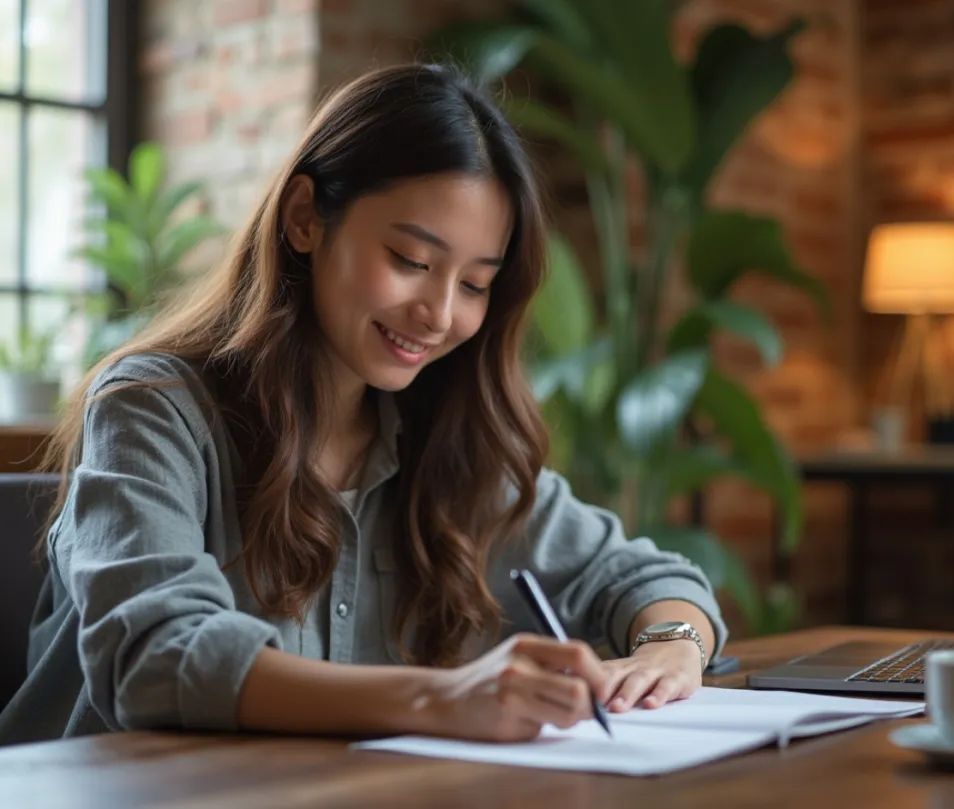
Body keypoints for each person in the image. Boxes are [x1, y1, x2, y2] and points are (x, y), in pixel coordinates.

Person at [0, 63, 726, 747]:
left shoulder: (449, 444)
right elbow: (157, 656)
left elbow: (644, 578)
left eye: (475, 284)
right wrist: (440, 698)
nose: (440, 313)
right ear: (305, 218)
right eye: (411, 261)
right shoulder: (152, 409)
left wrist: (671, 647)